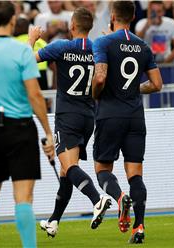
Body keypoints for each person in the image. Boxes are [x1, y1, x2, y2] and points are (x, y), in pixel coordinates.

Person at [0, 2, 55, 248]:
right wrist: (48, 133)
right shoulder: (22, 52)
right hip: (20, 127)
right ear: (13, 20)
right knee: (24, 198)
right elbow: (35, 95)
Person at [28, 7, 111, 238]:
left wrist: (32, 40)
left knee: (70, 167)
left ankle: (98, 199)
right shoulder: (99, 49)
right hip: (88, 116)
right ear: (90, 27)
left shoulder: (61, 46)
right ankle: (54, 221)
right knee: (66, 171)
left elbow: (27, 63)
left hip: (66, 116)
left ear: (72, 26)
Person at [92, 1, 163, 244]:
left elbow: (100, 77)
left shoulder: (103, 42)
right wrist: (134, 89)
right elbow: (156, 84)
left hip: (110, 114)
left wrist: (95, 93)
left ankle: (120, 197)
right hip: (135, 116)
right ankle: (139, 227)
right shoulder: (143, 46)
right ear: (133, 16)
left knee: (102, 170)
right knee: (136, 175)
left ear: (112, 16)